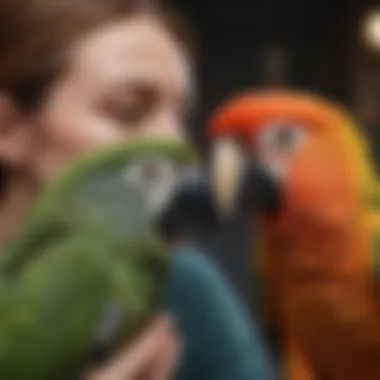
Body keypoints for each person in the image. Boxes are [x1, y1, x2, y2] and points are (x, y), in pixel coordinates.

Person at [0, 0, 275, 379]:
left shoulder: (184, 288)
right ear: (8, 128)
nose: (174, 143)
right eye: (127, 111)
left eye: (181, 117)